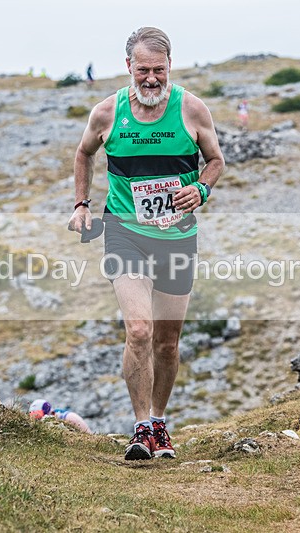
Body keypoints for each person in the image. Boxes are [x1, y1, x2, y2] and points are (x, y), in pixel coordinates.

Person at [67, 27, 225, 461]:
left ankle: (159, 419)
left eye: (159, 70)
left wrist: (202, 190)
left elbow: (216, 161)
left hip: (177, 237)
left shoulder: (191, 110)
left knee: (168, 342)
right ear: (128, 68)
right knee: (139, 329)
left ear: (170, 67)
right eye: (143, 71)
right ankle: (142, 427)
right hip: (125, 232)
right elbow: (84, 154)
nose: (151, 79)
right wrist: (82, 204)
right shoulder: (107, 113)